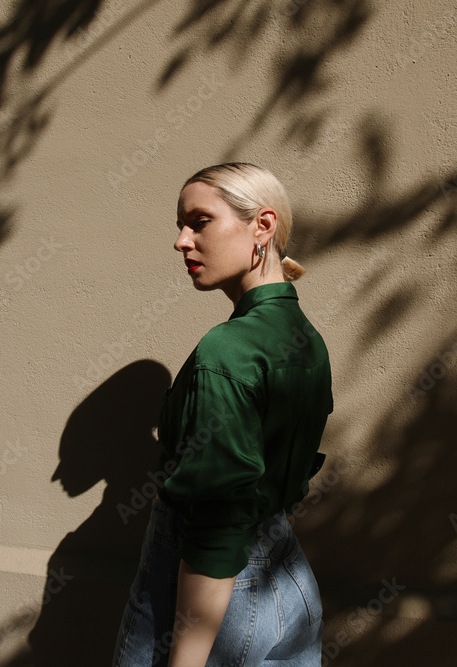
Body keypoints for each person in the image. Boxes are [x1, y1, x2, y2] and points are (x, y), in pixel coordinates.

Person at [112, 162, 334, 666]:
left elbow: (218, 521)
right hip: (288, 588)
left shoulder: (227, 349)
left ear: (263, 225)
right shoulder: (305, 338)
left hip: (217, 605)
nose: (181, 241)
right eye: (180, 225)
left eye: (199, 221)